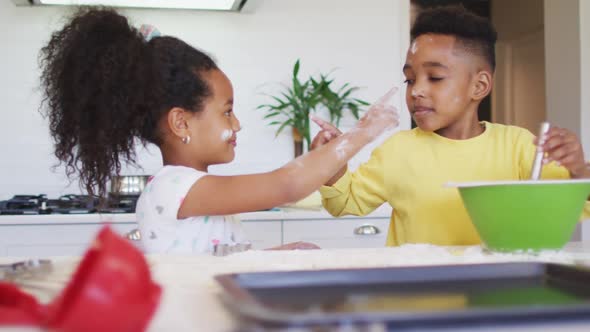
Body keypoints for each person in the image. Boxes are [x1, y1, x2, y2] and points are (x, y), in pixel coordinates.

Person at [38, 8, 399, 254]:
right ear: (181, 123)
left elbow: (212, 263)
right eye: (227, 112)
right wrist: (363, 133)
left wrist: (274, 256)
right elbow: (286, 184)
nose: (236, 123)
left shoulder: (194, 189)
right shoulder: (178, 187)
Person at [311, 6, 590, 247]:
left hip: (494, 295)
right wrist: (332, 161)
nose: (416, 90)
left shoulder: (518, 146)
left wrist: (579, 170)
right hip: (417, 300)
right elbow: (343, 203)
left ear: (479, 86)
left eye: (434, 77)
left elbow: (574, 205)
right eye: (410, 79)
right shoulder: (399, 150)